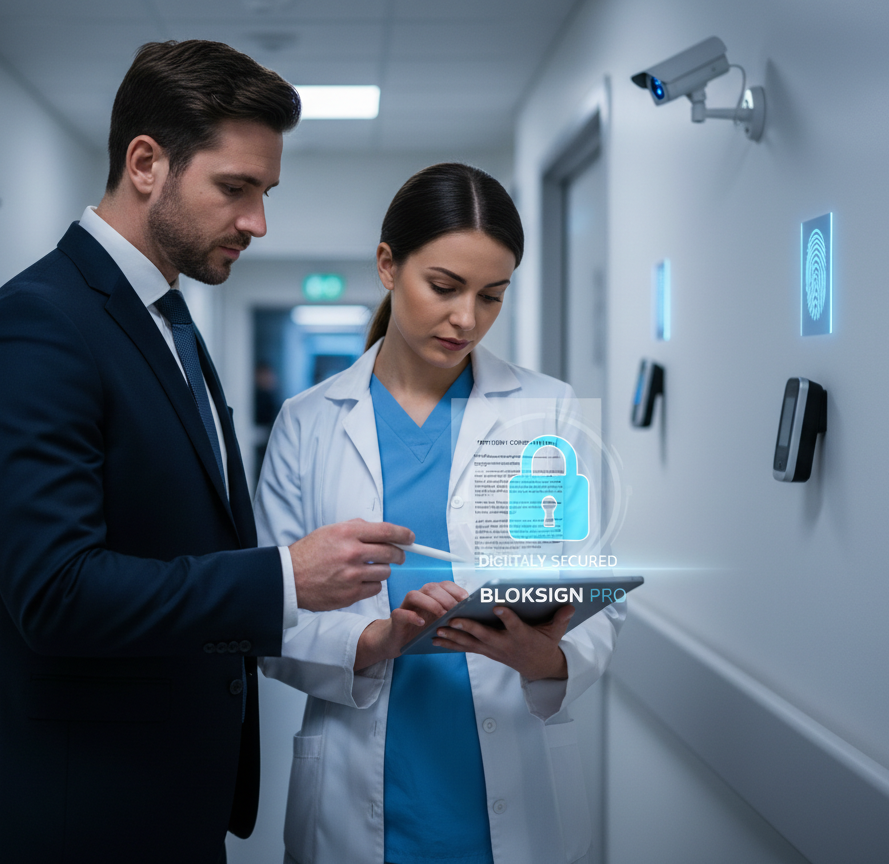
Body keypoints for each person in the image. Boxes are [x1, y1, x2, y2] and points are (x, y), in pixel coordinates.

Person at [0, 40, 412, 864]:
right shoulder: (38, 324)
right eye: (235, 189)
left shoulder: (168, 319)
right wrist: (282, 577)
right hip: (84, 812)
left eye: (266, 192)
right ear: (146, 162)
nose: (257, 222)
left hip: (172, 794)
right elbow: (54, 592)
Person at [255, 163, 624, 864]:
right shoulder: (308, 422)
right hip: (361, 789)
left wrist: (545, 658)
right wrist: (374, 642)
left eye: (492, 296)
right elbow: (269, 615)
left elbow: (593, 600)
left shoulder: (546, 411)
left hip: (512, 781)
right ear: (388, 266)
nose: (467, 320)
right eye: (446, 288)